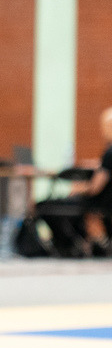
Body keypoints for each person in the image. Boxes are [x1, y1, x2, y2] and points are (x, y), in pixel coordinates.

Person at [36, 107, 112, 257]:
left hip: (98, 203)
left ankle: (68, 247)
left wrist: (78, 189)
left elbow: (95, 188)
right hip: (104, 202)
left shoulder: (110, 153)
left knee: (43, 206)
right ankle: (76, 244)